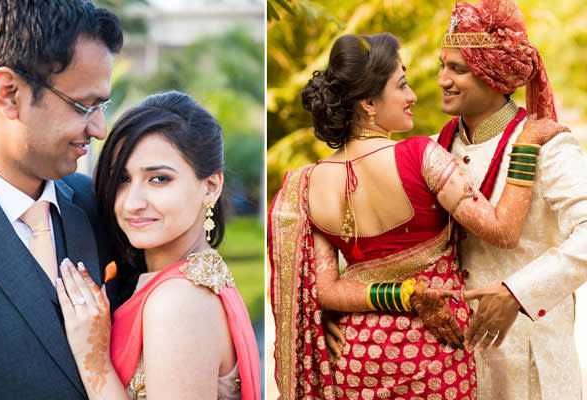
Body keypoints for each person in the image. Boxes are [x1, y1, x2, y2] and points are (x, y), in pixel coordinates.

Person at [268, 32, 566, 399]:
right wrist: (525, 147)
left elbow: (326, 291)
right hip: (431, 355)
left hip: (355, 356)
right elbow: (503, 230)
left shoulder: (304, 186)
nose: (412, 97)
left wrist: (401, 294)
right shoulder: (421, 155)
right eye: (402, 85)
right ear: (369, 104)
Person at [54, 91, 260, 399]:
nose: (132, 203)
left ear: (210, 187)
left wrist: (93, 360)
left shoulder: (179, 303)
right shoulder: (198, 279)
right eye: (122, 179)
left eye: (159, 179)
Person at [435, 0, 587, 398]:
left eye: (458, 69)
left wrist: (518, 292)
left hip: (532, 357)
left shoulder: (548, 145)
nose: (442, 79)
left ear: (493, 76)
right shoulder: (440, 147)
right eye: (442, 65)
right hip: (457, 361)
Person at [0, 1, 122, 399]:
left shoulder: (103, 206)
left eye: (103, 106)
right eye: (85, 106)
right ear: (9, 93)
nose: (99, 129)